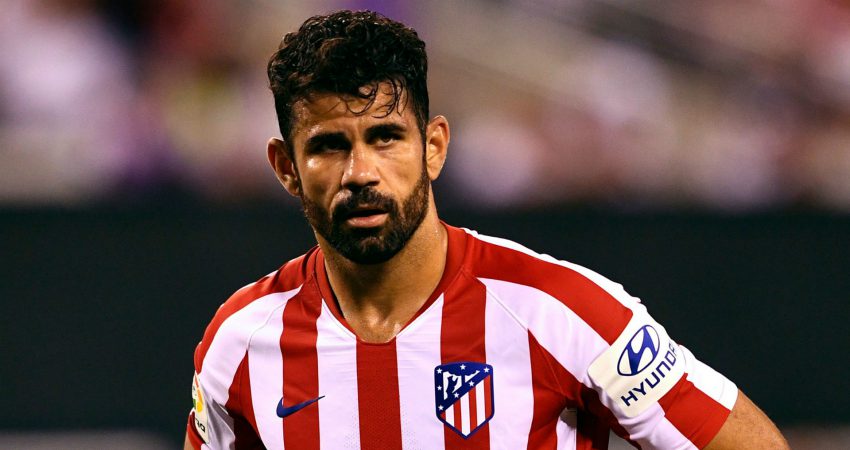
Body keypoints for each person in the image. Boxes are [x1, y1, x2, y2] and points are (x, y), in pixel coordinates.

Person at [185, 10, 788, 450]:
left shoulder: (560, 311)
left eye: (386, 137)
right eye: (329, 146)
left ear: (434, 147)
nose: (361, 172)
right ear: (286, 167)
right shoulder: (240, 343)